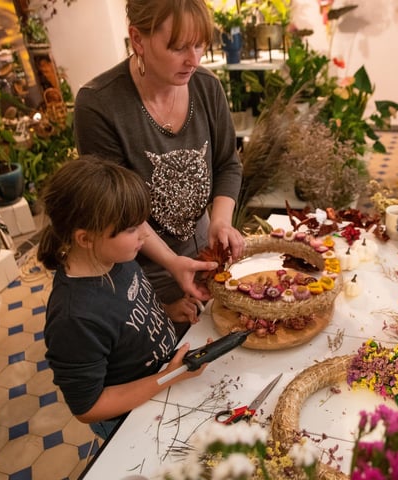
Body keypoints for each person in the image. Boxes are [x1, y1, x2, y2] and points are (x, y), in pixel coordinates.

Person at [74, 0, 245, 330]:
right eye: (178, 47)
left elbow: (227, 164)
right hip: (139, 268)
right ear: (137, 38)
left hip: (203, 253)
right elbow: (119, 208)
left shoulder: (207, 87)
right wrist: (170, 262)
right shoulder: (99, 105)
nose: (194, 60)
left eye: (199, 44)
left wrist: (221, 223)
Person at [38, 157, 209, 440]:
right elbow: (88, 407)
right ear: (85, 238)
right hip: (130, 420)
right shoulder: (73, 318)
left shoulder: (116, 258)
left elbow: (124, 318)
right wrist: (168, 377)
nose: (144, 233)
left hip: (164, 384)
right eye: (131, 228)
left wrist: (166, 311)